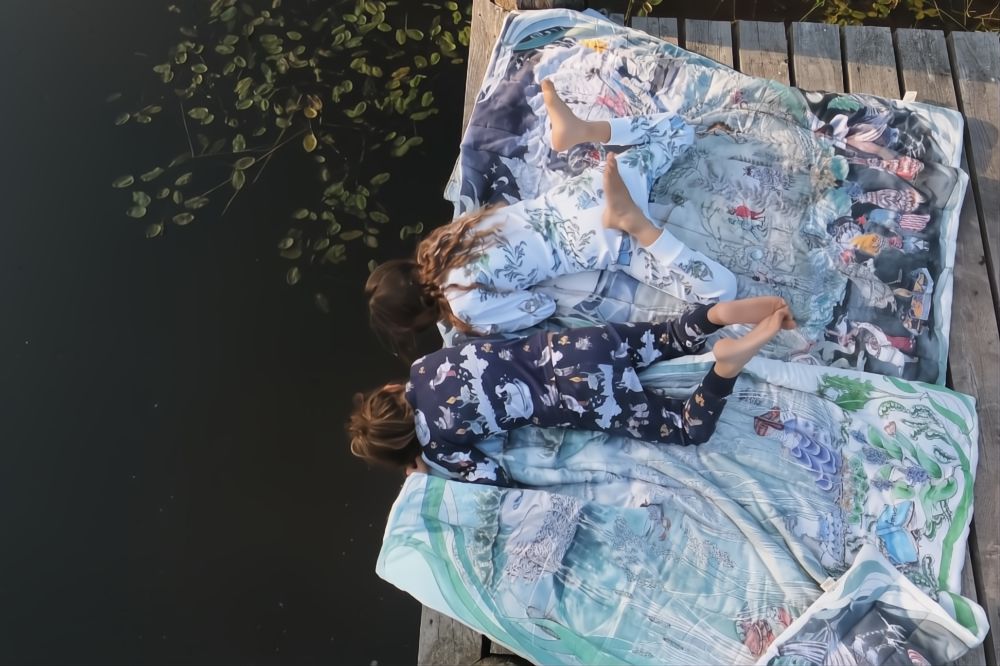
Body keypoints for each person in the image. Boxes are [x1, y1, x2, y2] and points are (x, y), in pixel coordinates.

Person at [367, 80, 738, 356]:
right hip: (584, 191)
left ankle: (638, 225)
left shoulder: (467, 309)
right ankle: (582, 130)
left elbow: (539, 308)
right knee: (676, 131)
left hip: (601, 239)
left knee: (721, 293)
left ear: (419, 319)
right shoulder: (441, 241)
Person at [348, 296, 795, 487]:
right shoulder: (424, 365)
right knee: (668, 335)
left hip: (580, 395)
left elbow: (493, 480)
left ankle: (725, 367)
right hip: (573, 347)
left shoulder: (439, 446)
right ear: (390, 389)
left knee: (685, 429)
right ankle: (715, 316)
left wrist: (429, 474)